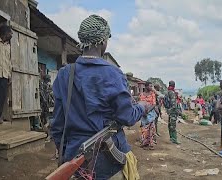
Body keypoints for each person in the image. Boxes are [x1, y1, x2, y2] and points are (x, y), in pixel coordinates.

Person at [51, 15, 149, 179]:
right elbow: (127, 116)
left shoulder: (64, 74)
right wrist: (142, 107)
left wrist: (69, 151)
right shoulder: (113, 73)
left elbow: (57, 125)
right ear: (103, 41)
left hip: (75, 157)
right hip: (109, 165)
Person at [139, 82, 157, 150]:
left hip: (150, 113)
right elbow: (140, 103)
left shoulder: (152, 94)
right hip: (143, 114)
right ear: (146, 87)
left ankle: (151, 144)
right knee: (144, 129)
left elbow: (154, 104)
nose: (151, 87)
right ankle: (145, 143)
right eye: (150, 86)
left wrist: (148, 111)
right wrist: (144, 112)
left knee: (151, 128)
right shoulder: (141, 94)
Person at [167, 80, 181, 144]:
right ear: (174, 85)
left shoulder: (168, 91)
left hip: (169, 111)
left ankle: (171, 138)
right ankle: (174, 139)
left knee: (170, 125)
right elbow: (174, 105)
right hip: (172, 112)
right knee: (173, 125)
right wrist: (177, 111)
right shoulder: (172, 93)